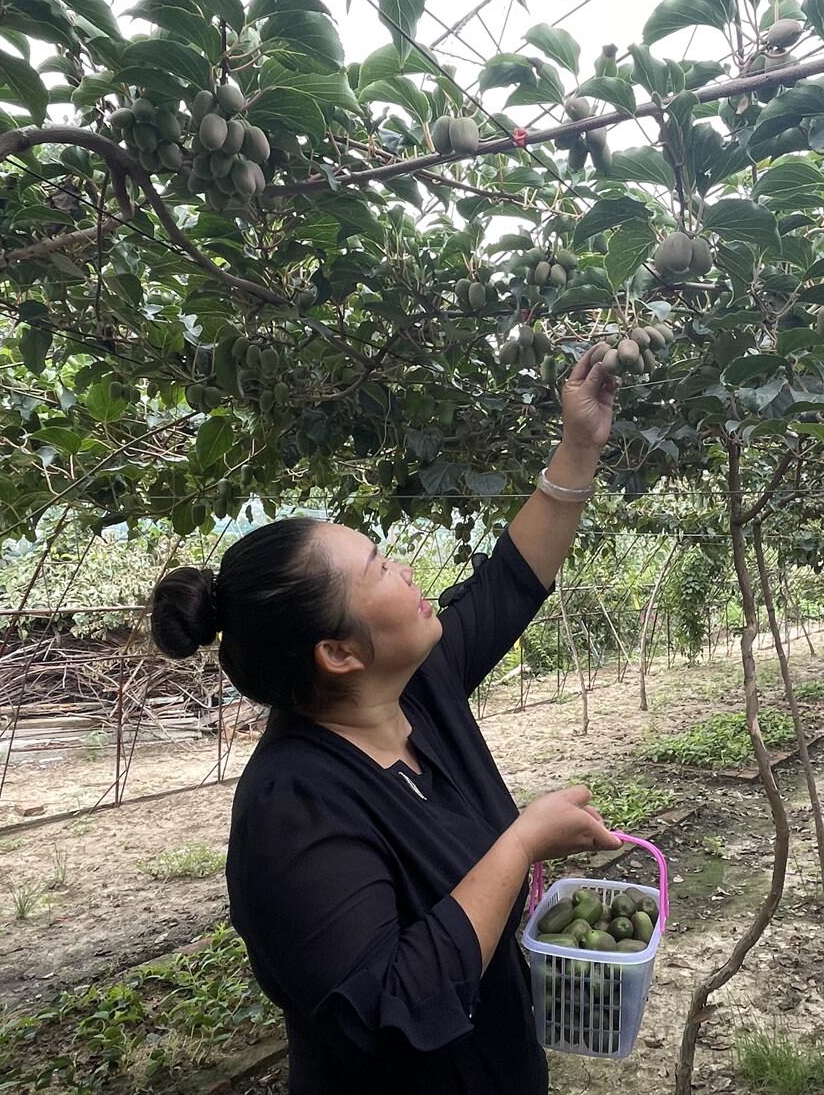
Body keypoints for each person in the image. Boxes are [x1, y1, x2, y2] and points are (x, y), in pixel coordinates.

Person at [149, 344, 623, 1093]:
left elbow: (511, 580)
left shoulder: (415, 689)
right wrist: (521, 843)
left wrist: (578, 444)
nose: (403, 569)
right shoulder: (293, 809)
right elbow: (386, 1003)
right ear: (339, 652)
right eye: (378, 567)